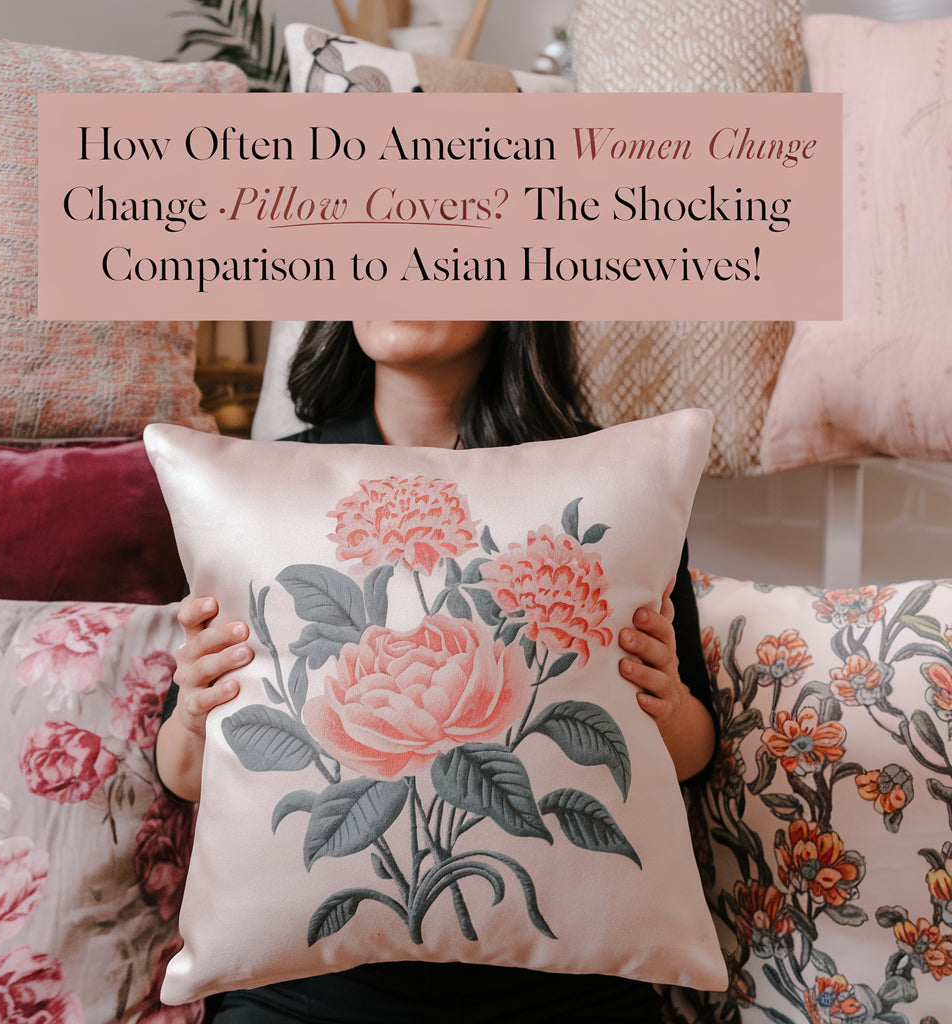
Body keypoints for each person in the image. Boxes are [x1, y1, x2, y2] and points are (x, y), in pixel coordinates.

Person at [156, 321, 716, 1023]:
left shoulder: (610, 478)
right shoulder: (255, 482)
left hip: (561, 995)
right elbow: (181, 772)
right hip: (310, 1001)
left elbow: (694, 757)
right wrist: (193, 707)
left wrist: (663, 701)